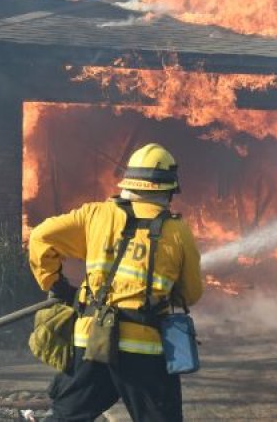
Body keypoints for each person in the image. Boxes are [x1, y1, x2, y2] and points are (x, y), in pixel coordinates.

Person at [29, 143, 203, 422]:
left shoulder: (95, 215)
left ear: (129, 182)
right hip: (144, 350)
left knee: (66, 417)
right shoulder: (177, 232)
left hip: (93, 341)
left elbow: (40, 237)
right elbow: (192, 293)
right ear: (169, 190)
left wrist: (56, 284)